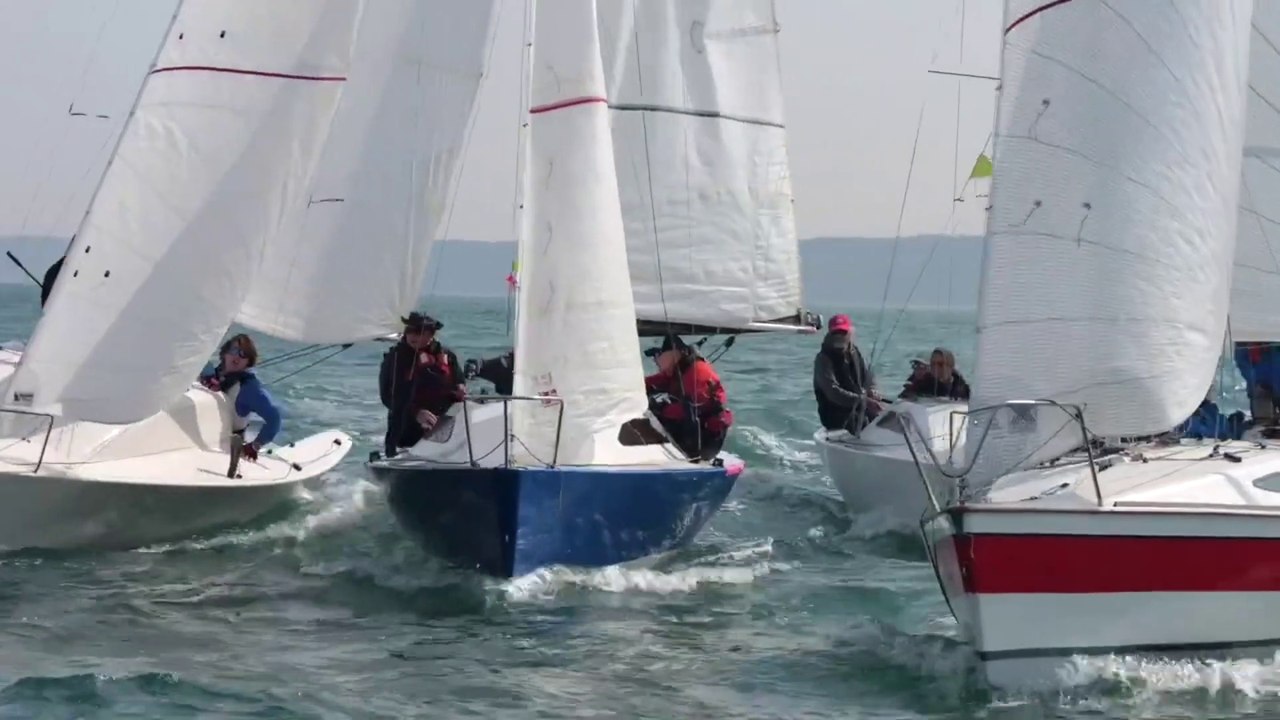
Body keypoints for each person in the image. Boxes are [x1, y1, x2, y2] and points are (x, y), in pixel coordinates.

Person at [378, 312, 465, 456]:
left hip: (442, 429)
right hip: (405, 431)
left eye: (418, 332)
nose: (412, 336)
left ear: (430, 335)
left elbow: (459, 380)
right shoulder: (396, 357)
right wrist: (416, 413)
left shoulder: (447, 356)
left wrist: (460, 388)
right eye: (409, 331)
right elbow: (387, 396)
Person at [643, 334, 733, 460]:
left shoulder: (698, 373)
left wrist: (662, 409)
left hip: (705, 441)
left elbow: (694, 407)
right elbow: (655, 381)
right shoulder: (678, 369)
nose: (655, 360)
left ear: (673, 353)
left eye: (658, 355)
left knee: (656, 413)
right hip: (694, 428)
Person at [198, 333, 281, 461]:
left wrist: (255, 446)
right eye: (234, 350)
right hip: (195, 435)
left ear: (248, 361)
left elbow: (274, 418)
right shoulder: (208, 372)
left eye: (243, 354)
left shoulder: (249, 388)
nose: (237, 356)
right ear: (225, 353)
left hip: (225, 447)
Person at [813, 314, 882, 432]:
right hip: (835, 415)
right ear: (830, 333)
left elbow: (869, 377)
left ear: (850, 333)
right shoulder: (823, 359)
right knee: (863, 423)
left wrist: (873, 390)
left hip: (859, 408)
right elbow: (832, 392)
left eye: (843, 333)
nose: (839, 337)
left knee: (887, 418)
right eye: (836, 333)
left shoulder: (856, 354)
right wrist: (863, 401)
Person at [900, 347, 971, 401]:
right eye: (933, 364)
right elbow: (903, 400)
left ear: (950, 366)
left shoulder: (962, 388)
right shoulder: (922, 385)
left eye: (940, 364)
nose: (936, 368)